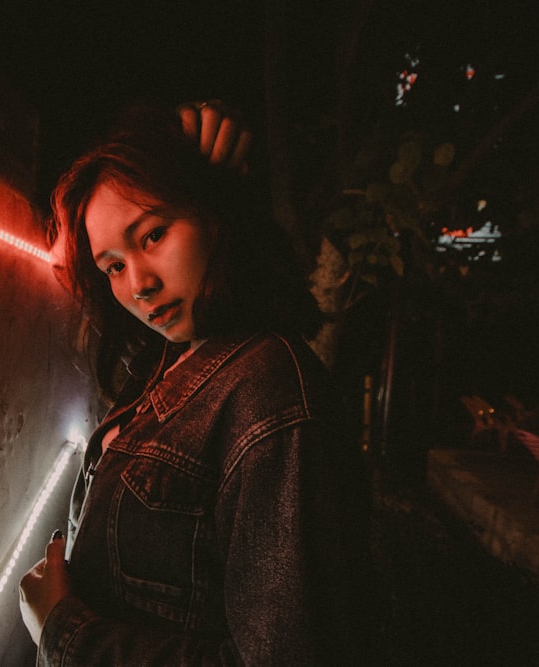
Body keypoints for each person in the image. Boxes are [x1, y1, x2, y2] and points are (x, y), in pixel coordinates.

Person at [21, 102, 376, 665]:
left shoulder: (267, 390)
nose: (138, 284)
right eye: (112, 265)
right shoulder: (171, 366)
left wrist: (65, 630)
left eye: (153, 235)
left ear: (217, 218)